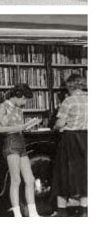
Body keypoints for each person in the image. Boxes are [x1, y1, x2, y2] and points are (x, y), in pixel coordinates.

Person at [0, 83, 39, 217]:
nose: (24, 103)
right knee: (16, 180)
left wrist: (25, 127)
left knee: (30, 179)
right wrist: (15, 128)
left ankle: (33, 213)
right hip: (10, 142)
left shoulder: (18, 109)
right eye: (24, 99)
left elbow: (18, 126)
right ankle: (17, 215)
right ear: (18, 96)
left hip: (21, 142)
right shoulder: (3, 107)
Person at [52, 74, 87, 217]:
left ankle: (61, 210)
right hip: (87, 139)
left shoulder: (69, 101)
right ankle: (85, 210)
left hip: (71, 140)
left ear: (70, 86)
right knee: (85, 173)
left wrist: (55, 126)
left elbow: (60, 123)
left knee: (63, 173)